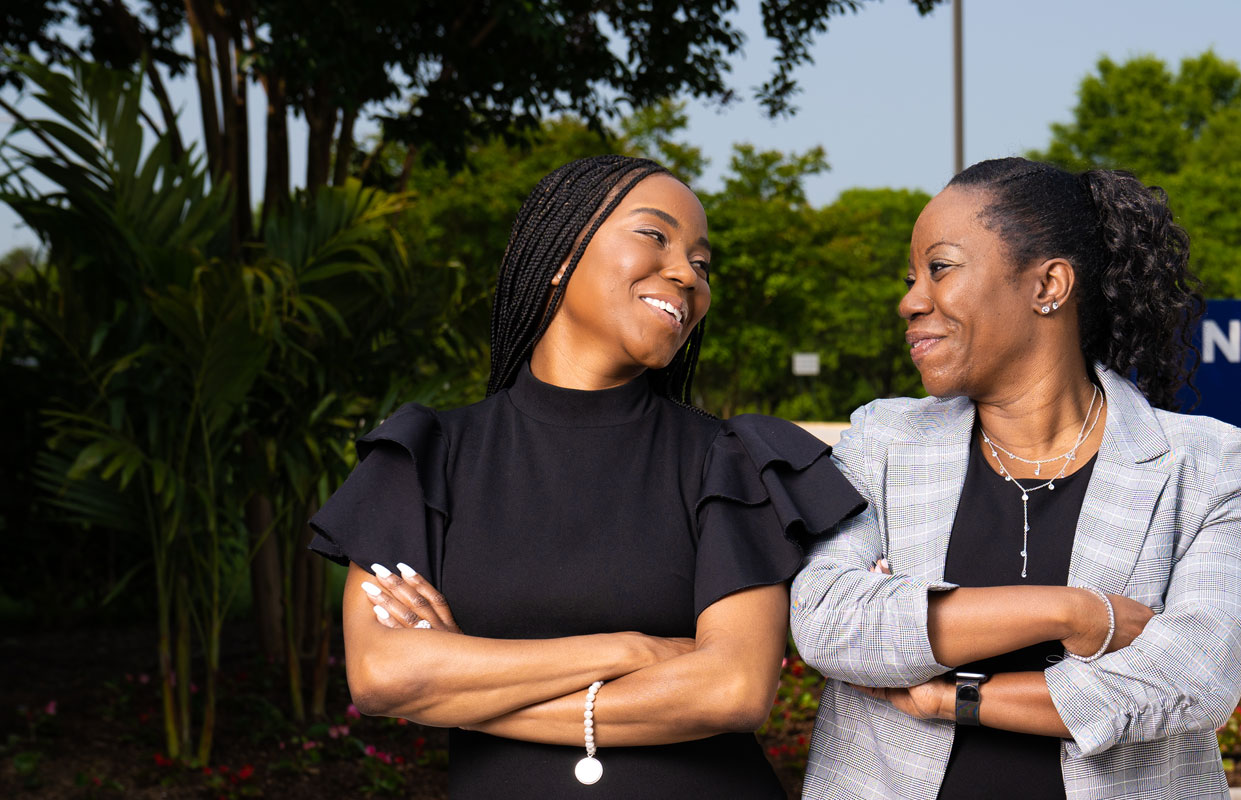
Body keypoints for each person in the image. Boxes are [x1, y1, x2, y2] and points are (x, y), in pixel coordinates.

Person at [308, 155, 863, 798]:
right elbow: (384, 675)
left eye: (702, 264)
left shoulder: (729, 458)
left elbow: (730, 690)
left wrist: (463, 685)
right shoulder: (426, 456)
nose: (687, 274)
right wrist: (633, 650)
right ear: (559, 257)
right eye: (654, 236)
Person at [790, 157, 1241, 800]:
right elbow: (828, 621)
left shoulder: (1198, 461)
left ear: (1049, 285)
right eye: (911, 277)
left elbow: (1198, 676)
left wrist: (952, 698)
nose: (910, 300)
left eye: (940, 267)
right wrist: (1073, 612)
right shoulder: (886, 440)